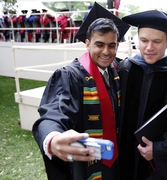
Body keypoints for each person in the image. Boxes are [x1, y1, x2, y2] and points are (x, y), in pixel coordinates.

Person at [32, 2, 130, 180]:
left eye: (112, 45)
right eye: (99, 44)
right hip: (85, 164)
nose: (106, 52)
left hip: (113, 158)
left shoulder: (116, 70)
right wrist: (52, 138)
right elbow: (54, 112)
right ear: (87, 44)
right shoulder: (70, 76)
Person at [118, 10, 167, 180]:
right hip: (122, 160)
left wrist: (159, 149)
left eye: (157, 41)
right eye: (144, 40)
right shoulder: (126, 69)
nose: (149, 47)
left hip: (155, 168)